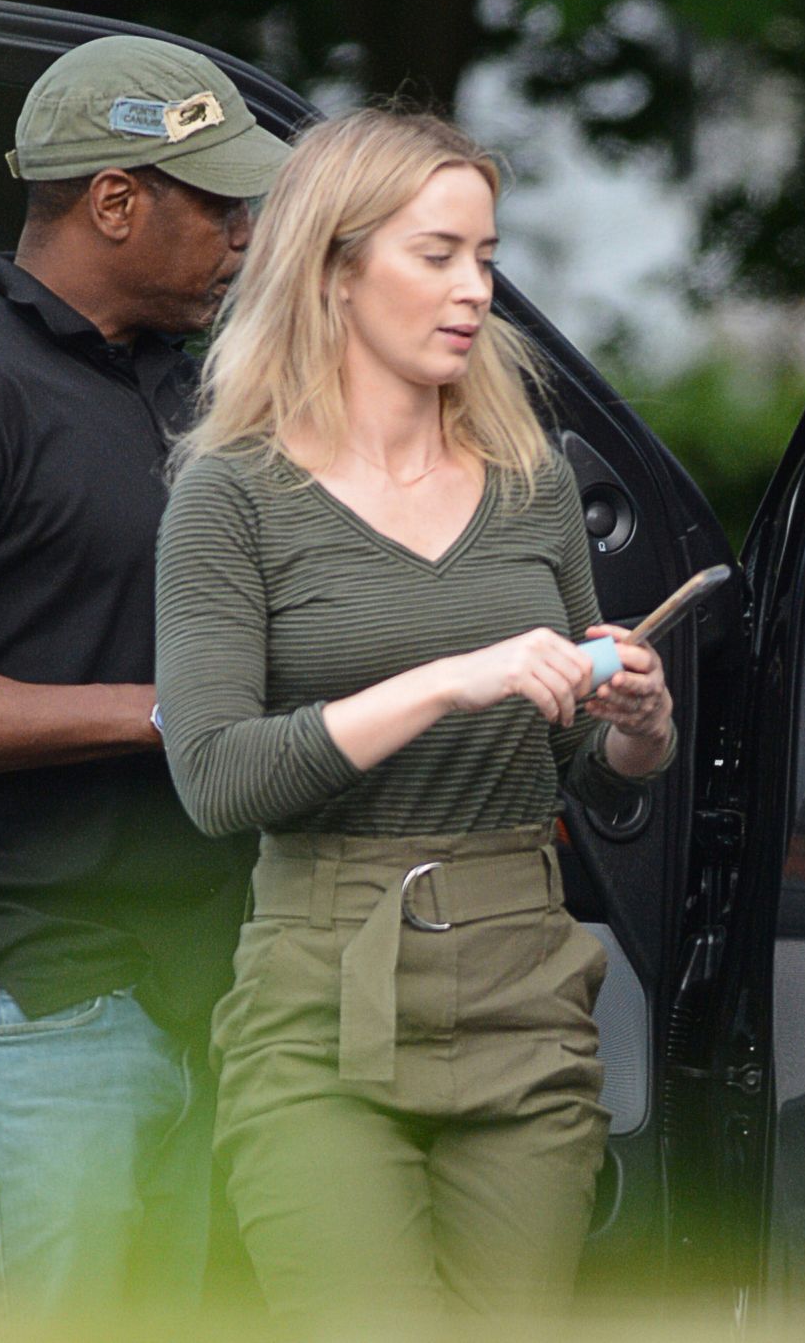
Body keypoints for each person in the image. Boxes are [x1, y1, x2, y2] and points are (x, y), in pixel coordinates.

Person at [154, 107, 676, 1324]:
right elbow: (217, 781)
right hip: (319, 1005)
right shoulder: (233, 494)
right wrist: (455, 674)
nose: (473, 290)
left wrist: (635, 723)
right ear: (336, 268)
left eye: (486, 258)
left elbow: (587, 776)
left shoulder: (532, 481)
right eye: (436, 254)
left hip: (525, 994)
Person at [0, 35, 289, 1317]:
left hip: (184, 990)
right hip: (19, 1005)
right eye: (218, 201)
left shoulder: (180, 392)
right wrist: (164, 716)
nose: (245, 233)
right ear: (114, 199)